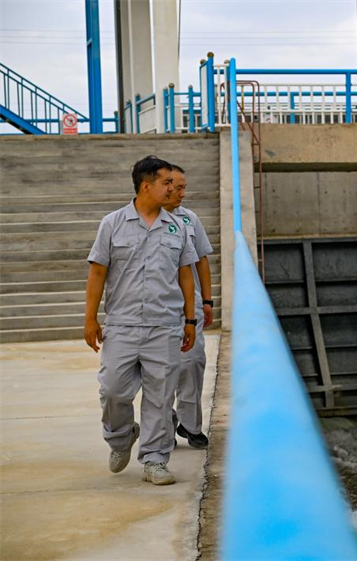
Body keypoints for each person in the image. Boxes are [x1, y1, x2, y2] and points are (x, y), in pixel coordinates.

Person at [84, 155, 198, 486]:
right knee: (113, 391)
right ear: (146, 186)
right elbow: (98, 272)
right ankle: (120, 437)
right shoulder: (112, 223)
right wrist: (90, 319)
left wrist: (190, 319)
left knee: (160, 397)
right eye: (166, 183)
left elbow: (185, 275)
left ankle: (155, 459)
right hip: (122, 324)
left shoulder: (178, 225)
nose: (172, 189)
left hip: (164, 326)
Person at [163, 164, 214, 449]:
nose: (183, 193)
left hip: (189, 305)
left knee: (193, 363)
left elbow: (201, 261)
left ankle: (191, 424)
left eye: (184, 187)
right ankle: (164, 422)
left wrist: (207, 300)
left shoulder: (189, 219)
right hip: (158, 307)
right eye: (178, 187)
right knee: (161, 368)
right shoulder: (143, 221)